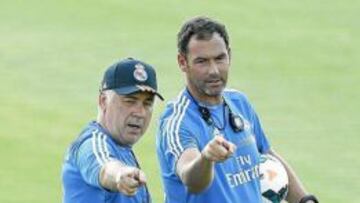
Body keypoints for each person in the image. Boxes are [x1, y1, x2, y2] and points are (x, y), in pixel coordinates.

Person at [156, 16, 319, 203]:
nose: (214, 70)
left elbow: (267, 154)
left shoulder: (239, 103)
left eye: (220, 58)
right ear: (182, 62)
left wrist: (305, 200)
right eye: (202, 61)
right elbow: (191, 179)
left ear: (229, 56)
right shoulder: (177, 121)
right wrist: (206, 158)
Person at [62, 58, 164, 203]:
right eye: (130, 101)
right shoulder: (92, 142)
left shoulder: (123, 150)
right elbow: (104, 167)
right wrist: (119, 175)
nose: (140, 112)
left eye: (147, 103)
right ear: (103, 101)